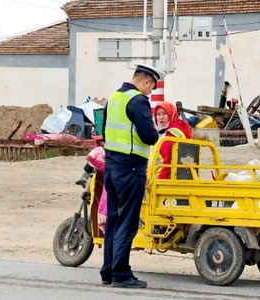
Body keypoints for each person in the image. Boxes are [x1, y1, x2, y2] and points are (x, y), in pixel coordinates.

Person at [100, 64, 164, 289]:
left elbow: (105, 131)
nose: (150, 92)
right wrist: (156, 133)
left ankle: (108, 271)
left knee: (114, 221)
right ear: (146, 82)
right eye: (151, 88)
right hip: (131, 169)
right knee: (127, 223)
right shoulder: (138, 101)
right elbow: (149, 136)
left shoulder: (114, 98)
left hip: (112, 167)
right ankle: (121, 274)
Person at [152, 101, 193, 179]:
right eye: (158, 114)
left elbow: (168, 160)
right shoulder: (178, 128)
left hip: (164, 177)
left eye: (165, 113)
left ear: (171, 114)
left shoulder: (172, 133)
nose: (161, 117)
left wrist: (162, 178)